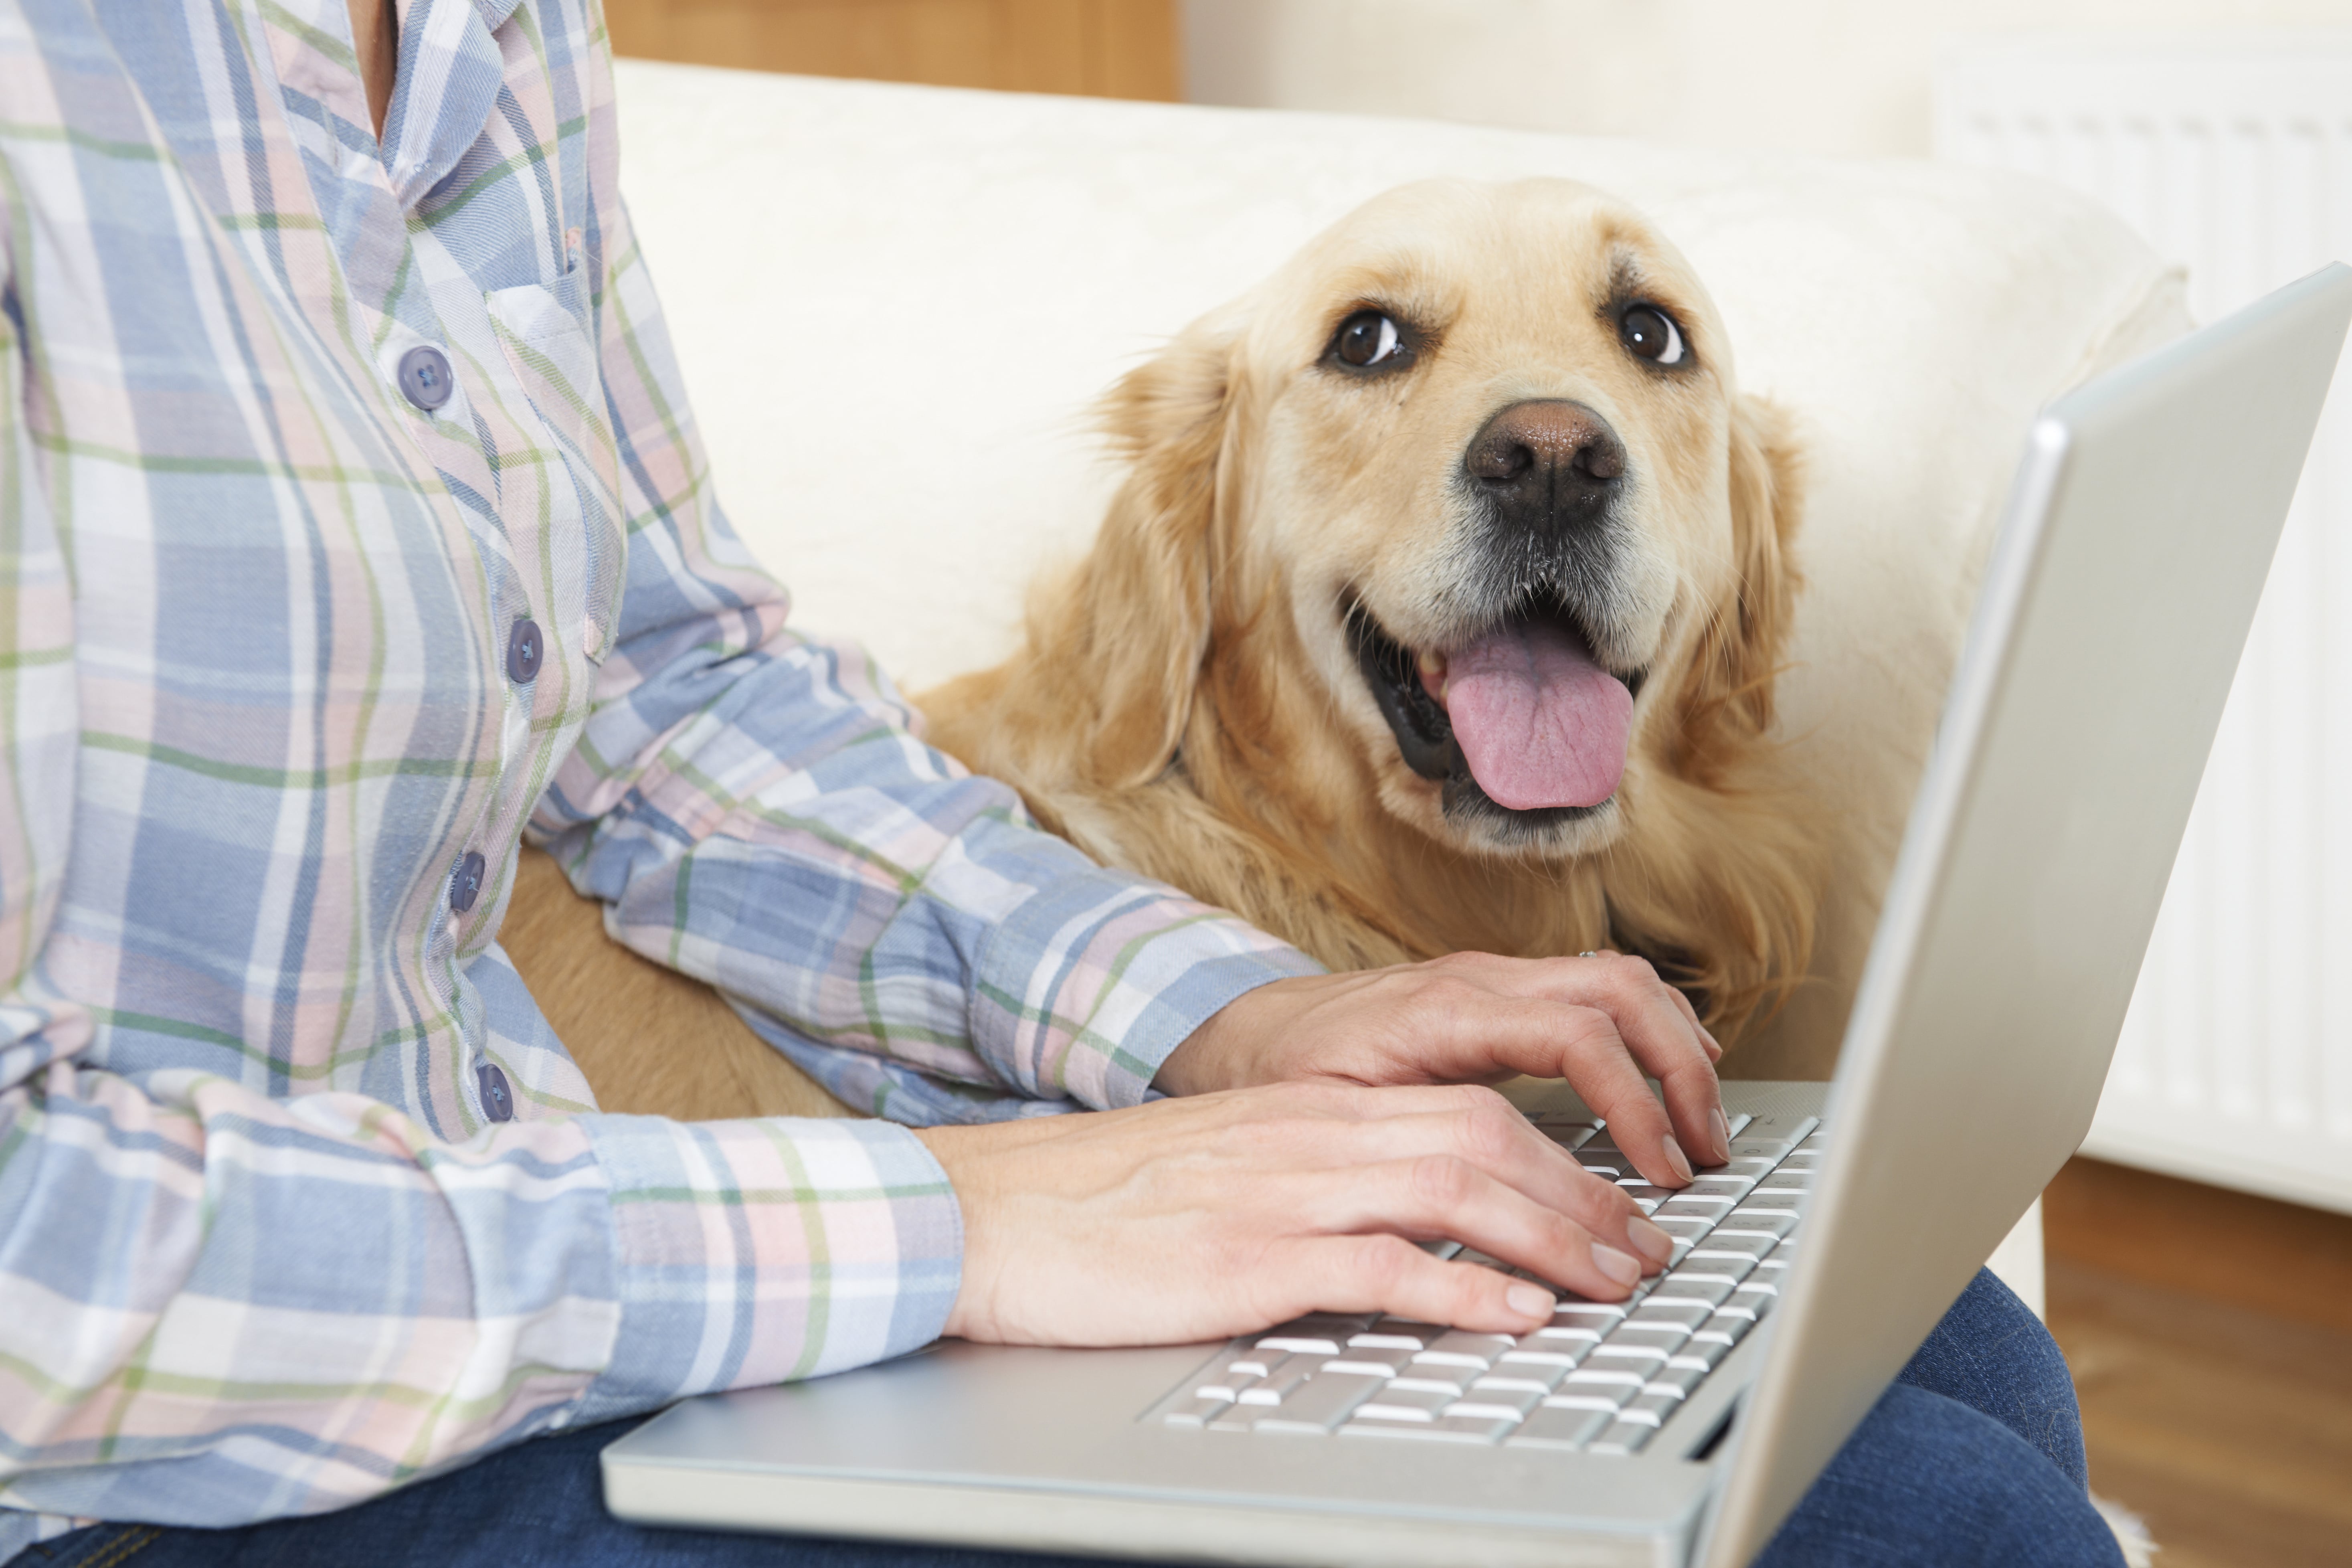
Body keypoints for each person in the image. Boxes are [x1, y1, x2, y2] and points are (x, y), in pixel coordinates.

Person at [0, 1, 2125, 1564]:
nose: (1539, 427)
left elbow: (664, 691)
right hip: (157, 1456)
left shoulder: (491, 37)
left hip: (515, 1285)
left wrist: (1222, 1014)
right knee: (1922, 1527)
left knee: (1950, 1362)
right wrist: (967, 1218)